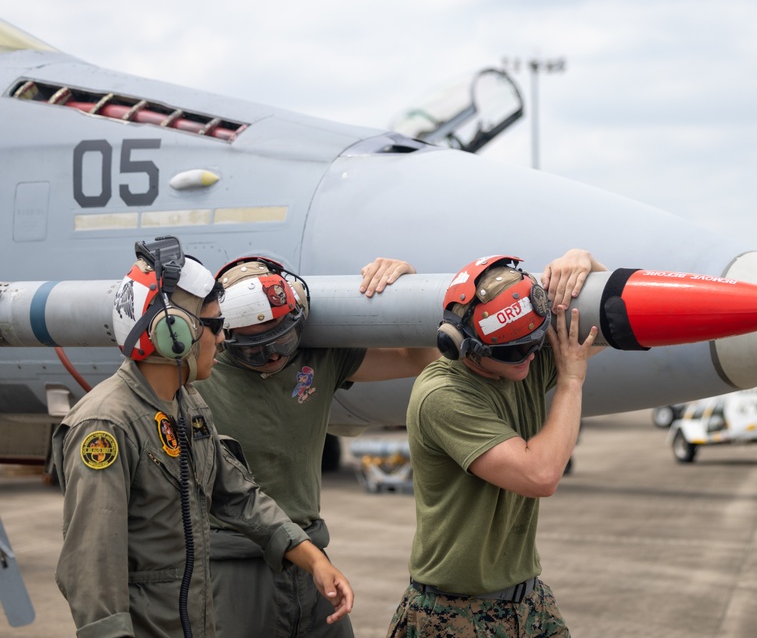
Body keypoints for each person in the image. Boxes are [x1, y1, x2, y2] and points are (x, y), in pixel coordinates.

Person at [53, 236, 352, 638]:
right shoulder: (107, 426)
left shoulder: (186, 407)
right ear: (173, 334)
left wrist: (313, 559)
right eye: (214, 326)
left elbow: (238, 496)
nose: (223, 339)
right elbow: (92, 564)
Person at [195, 256, 439, 638]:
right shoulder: (202, 370)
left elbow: (422, 359)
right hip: (232, 560)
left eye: (283, 340)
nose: (273, 356)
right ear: (226, 338)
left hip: (310, 554)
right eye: (255, 350)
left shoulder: (318, 358)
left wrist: (406, 288)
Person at [387, 249, 606, 638]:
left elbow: (610, 323)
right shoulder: (443, 394)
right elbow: (540, 474)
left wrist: (587, 265)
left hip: (528, 599)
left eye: (536, 342)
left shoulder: (517, 355)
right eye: (514, 351)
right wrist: (571, 381)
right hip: (454, 615)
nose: (530, 357)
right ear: (465, 346)